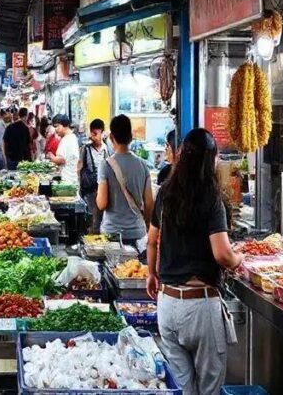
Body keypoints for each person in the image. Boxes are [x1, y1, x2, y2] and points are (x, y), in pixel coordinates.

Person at [146, 128, 242, 395]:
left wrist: (151, 274)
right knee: (209, 389)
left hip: (167, 305)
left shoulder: (166, 192)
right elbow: (222, 254)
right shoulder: (211, 197)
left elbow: (152, 239)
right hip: (200, 306)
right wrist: (239, 259)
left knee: (182, 388)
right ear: (211, 160)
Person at [96, 115, 154, 250]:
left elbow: (101, 203)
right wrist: (144, 223)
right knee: (136, 270)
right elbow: (149, 202)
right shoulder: (143, 164)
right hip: (138, 233)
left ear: (111, 137)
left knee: (113, 270)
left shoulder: (105, 165)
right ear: (131, 137)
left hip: (113, 233)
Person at [78, 119, 111, 233]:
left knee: (101, 217)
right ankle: (91, 239)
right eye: (92, 133)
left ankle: (96, 238)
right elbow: (80, 167)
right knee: (92, 216)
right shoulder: (85, 149)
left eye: (96, 134)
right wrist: (79, 187)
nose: (93, 136)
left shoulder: (106, 149)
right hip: (89, 189)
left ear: (102, 133)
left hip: (102, 188)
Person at [48, 114, 79, 187]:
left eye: (56, 126)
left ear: (63, 125)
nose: (55, 129)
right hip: (72, 180)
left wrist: (51, 157)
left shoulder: (66, 140)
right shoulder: (73, 137)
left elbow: (61, 160)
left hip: (66, 181)